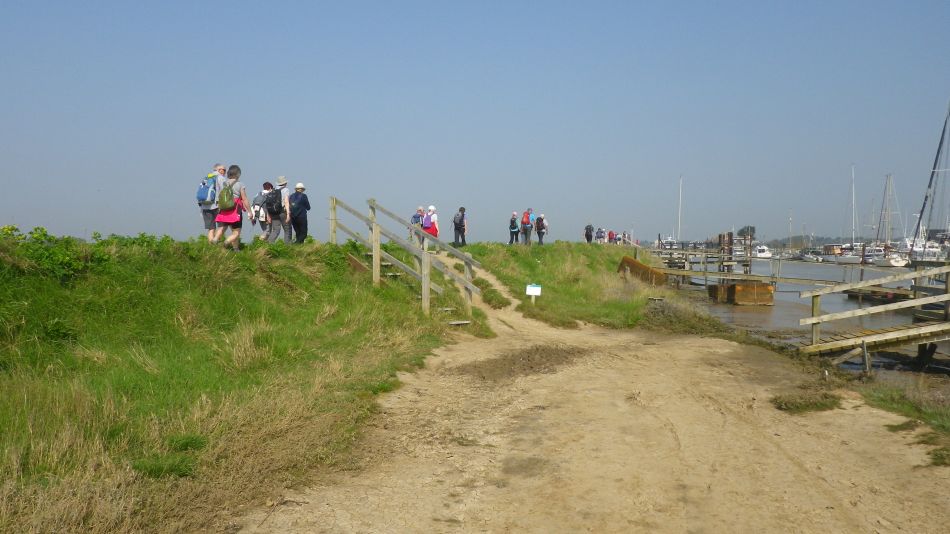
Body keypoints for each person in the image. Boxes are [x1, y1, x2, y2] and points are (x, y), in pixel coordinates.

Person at [212, 165, 251, 251]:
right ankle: (227, 242)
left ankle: (217, 240)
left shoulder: (224, 182)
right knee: (236, 231)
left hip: (224, 208)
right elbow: (244, 199)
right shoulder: (240, 184)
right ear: (238, 174)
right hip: (236, 208)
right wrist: (250, 211)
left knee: (222, 227)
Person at [199, 163, 226, 242]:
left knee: (211, 228)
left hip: (205, 205)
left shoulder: (206, 178)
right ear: (218, 170)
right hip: (217, 206)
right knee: (223, 225)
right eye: (223, 170)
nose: (224, 172)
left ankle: (211, 246)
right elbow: (225, 191)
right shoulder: (220, 178)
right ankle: (215, 240)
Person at [266, 176, 292, 243]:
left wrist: (268, 215)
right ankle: (287, 247)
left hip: (274, 213)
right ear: (285, 183)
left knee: (275, 230)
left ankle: (268, 245)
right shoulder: (286, 190)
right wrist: (288, 214)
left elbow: (268, 203)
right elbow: (286, 202)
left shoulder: (272, 190)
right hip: (282, 212)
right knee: (287, 230)